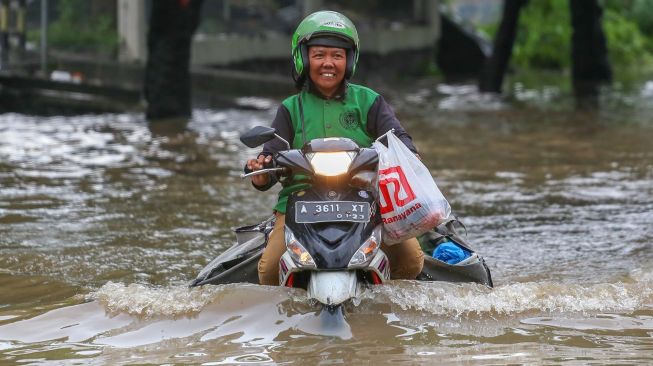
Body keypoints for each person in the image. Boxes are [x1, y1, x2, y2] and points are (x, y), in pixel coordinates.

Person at [245, 10, 424, 286]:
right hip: (301, 203)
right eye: (319, 55)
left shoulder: (369, 101)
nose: (328, 63)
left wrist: (408, 151)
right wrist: (261, 170)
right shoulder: (291, 108)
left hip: (364, 200)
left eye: (337, 56)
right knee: (268, 273)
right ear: (303, 58)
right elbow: (270, 156)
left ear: (349, 60)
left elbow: (398, 136)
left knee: (411, 260)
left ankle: (381, 300)